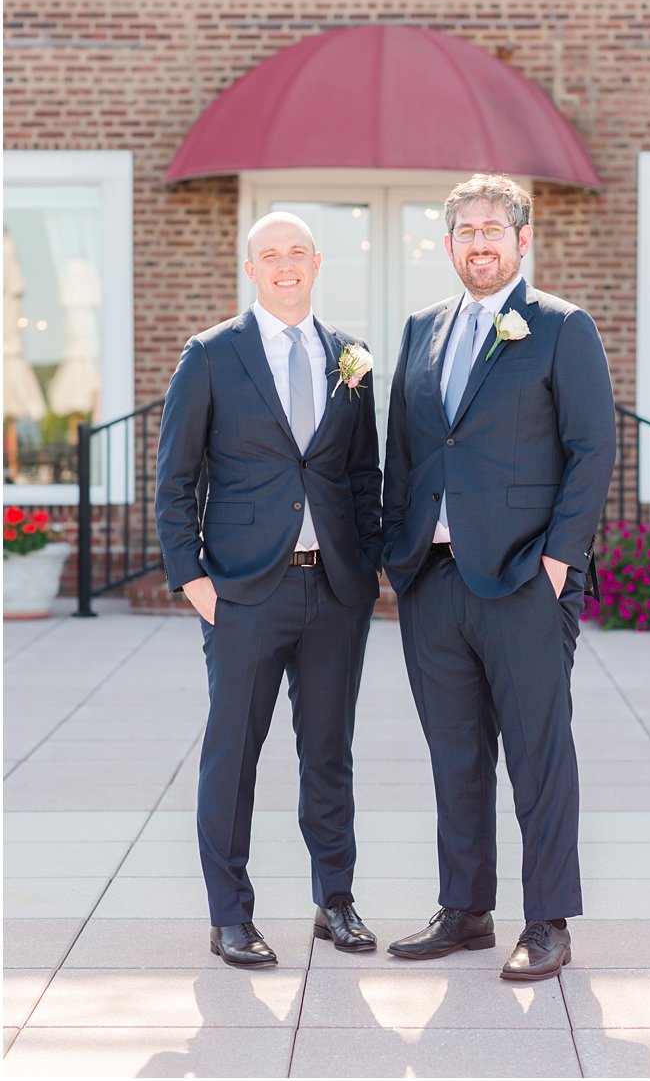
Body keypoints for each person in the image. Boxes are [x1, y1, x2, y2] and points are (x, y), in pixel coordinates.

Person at [382, 173, 615, 980]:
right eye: (465, 231)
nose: (480, 243)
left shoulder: (560, 327)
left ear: (521, 240)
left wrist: (558, 563)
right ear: (447, 246)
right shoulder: (420, 330)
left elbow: (593, 451)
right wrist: (396, 556)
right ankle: (466, 909)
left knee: (538, 754)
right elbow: (406, 454)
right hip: (432, 578)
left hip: (523, 578)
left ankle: (547, 918)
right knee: (454, 753)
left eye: (494, 229)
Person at [156, 211, 382, 967]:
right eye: (269, 255)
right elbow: (176, 481)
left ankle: (336, 902)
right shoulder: (212, 356)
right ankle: (230, 914)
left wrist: (369, 567)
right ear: (251, 268)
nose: (285, 266)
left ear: (316, 263)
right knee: (234, 754)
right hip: (245, 594)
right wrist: (193, 581)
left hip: (336, 592)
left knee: (329, 752)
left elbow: (361, 474)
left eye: (297, 253)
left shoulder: (351, 356)